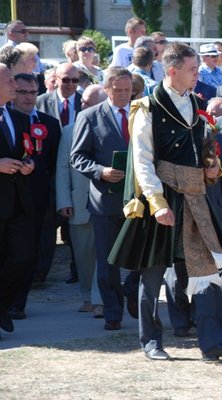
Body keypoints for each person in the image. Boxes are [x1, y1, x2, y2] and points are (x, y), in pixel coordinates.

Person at [111, 42, 222, 361]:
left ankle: (213, 341)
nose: (197, 74)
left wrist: (211, 167)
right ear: (172, 71)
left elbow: (202, 149)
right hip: (162, 199)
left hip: (195, 198)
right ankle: (151, 342)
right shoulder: (147, 107)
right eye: (192, 69)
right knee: (153, 274)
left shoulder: (196, 104)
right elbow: (142, 160)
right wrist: (157, 203)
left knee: (208, 271)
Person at [70, 67, 138, 331]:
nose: (123, 95)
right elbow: (77, 157)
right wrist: (100, 171)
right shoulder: (89, 116)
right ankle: (112, 312)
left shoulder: (141, 114)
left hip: (139, 199)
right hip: (106, 200)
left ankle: (132, 288)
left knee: (143, 256)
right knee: (108, 261)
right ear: (107, 89)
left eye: (127, 90)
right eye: (118, 90)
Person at [8, 73, 61, 319]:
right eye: (22, 92)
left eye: (33, 93)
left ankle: (19, 302)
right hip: (10, 199)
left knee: (31, 253)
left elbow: (54, 165)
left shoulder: (49, 124)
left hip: (39, 199)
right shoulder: (5, 119)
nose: (29, 98)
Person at [56, 84, 107, 315]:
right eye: (82, 101)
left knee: (103, 255)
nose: (82, 105)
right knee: (83, 255)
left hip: (106, 203)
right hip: (78, 204)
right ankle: (87, 295)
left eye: (88, 102)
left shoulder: (112, 127)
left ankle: (99, 299)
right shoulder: (69, 130)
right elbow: (62, 169)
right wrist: (63, 200)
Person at [0, 63, 35, 339]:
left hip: (19, 202)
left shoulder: (18, 116)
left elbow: (27, 152)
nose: (15, 85)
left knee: (20, 257)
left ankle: (2, 305)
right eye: (9, 80)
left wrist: (28, 164)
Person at [37, 63, 82, 128]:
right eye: (65, 80)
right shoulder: (41, 102)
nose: (70, 84)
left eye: (75, 80)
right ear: (56, 79)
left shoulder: (85, 102)